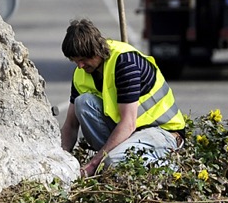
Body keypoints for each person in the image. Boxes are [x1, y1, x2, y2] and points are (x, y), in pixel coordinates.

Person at [59, 18, 186, 176]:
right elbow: (70, 125)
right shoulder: (81, 73)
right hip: (129, 134)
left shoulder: (125, 63)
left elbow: (128, 123)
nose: (80, 66)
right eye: (75, 61)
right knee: (82, 103)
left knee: (113, 162)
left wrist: (93, 164)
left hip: (161, 132)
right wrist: (61, 160)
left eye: (83, 60)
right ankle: (110, 159)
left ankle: (172, 168)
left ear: (96, 50)